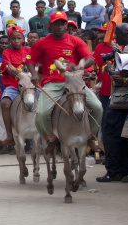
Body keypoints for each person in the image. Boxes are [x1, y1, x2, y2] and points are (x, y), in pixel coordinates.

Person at [25, 11, 102, 154]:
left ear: (66, 26)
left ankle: (90, 135)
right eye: (56, 24)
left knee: (97, 107)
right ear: (51, 26)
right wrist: (34, 74)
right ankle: (51, 137)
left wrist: (81, 67)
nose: (60, 26)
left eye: (62, 24)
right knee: (41, 114)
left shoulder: (75, 41)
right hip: (52, 83)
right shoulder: (42, 42)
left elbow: (90, 58)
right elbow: (29, 59)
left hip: (74, 82)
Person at [96, 23, 128, 182]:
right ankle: (123, 169)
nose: (115, 37)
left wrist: (109, 69)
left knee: (111, 132)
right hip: (127, 96)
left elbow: (121, 74)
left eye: (117, 34)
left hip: (122, 97)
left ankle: (113, 170)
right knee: (122, 135)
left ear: (124, 33)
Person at [0, 26, 36, 146]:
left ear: (23, 39)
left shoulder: (28, 50)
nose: (16, 41)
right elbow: (8, 68)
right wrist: (20, 74)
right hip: (14, 85)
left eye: (18, 38)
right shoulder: (6, 52)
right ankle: (10, 135)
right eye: (13, 39)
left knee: (41, 100)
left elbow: (35, 64)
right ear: (10, 40)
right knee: (5, 103)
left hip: (30, 85)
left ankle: (44, 132)